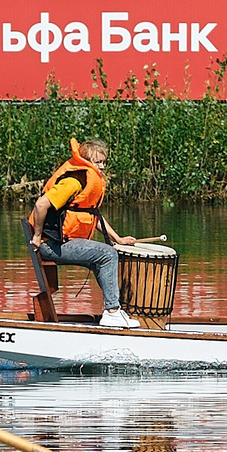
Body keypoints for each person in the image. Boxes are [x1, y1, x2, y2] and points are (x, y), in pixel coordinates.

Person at [25, 137, 141, 329]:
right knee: (107, 253)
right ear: (86, 161)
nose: (102, 167)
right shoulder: (74, 180)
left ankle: (115, 310)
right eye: (98, 162)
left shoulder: (87, 179)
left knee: (104, 257)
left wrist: (118, 239)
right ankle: (112, 312)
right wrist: (36, 236)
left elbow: (91, 215)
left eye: (104, 162)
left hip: (62, 243)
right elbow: (41, 204)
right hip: (51, 245)